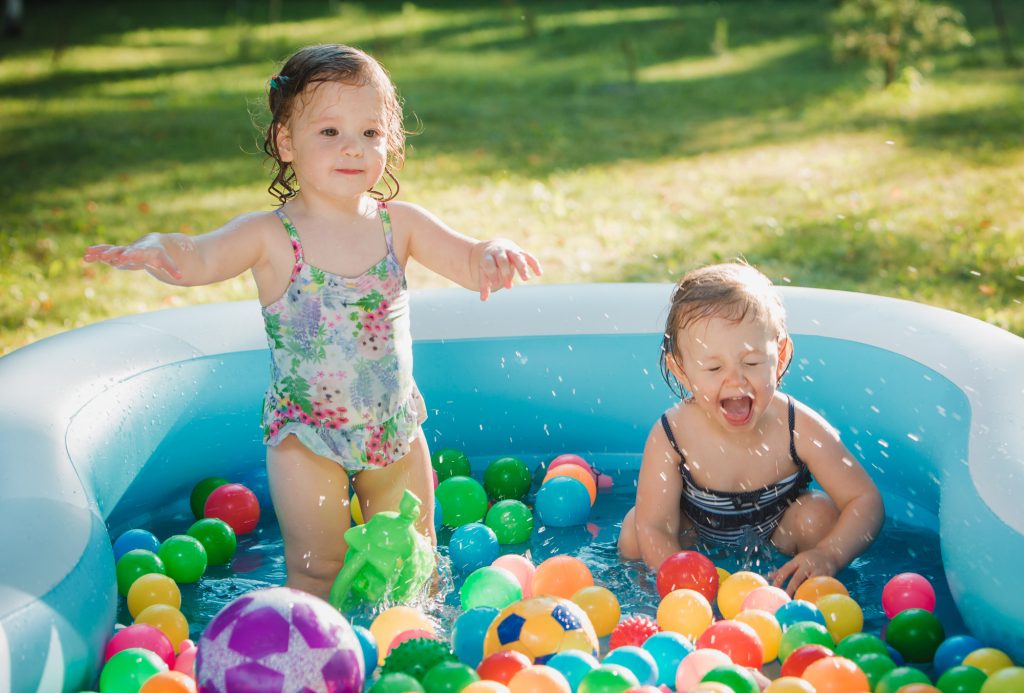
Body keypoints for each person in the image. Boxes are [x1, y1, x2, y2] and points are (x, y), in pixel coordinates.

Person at [84, 44, 542, 599]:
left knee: (416, 562)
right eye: (329, 133)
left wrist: (494, 250)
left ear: (390, 142)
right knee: (318, 569)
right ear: (285, 142)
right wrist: (161, 248)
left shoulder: (401, 225)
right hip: (307, 437)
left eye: (371, 133)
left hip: (393, 427)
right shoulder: (271, 235)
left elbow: (469, 261)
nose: (353, 148)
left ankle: (413, 653)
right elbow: (201, 256)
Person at [618, 262, 882, 594]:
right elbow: (654, 526)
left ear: (781, 354)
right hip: (697, 539)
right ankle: (644, 597)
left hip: (779, 539)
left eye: (753, 363)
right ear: (682, 371)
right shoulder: (673, 434)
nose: (736, 379)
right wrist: (682, 585)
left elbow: (865, 499)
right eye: (713, 367)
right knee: (634, 530)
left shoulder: (796, 426)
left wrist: (828, 554)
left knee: (818, 515)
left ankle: (808, 589)